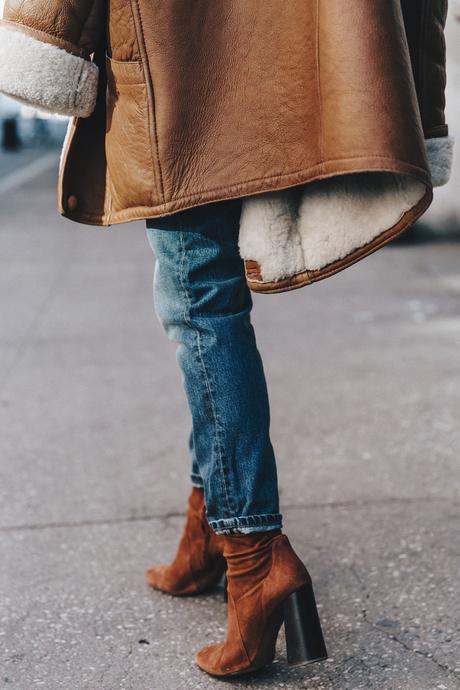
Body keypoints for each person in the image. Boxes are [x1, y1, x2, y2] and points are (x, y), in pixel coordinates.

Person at [0, 0, 452, 678]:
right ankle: (211, 525)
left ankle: (252, 550)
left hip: (185, 51)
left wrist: (48, 31)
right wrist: (422, 98)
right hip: (285, 57)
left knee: (199, 299)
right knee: (201, 297)